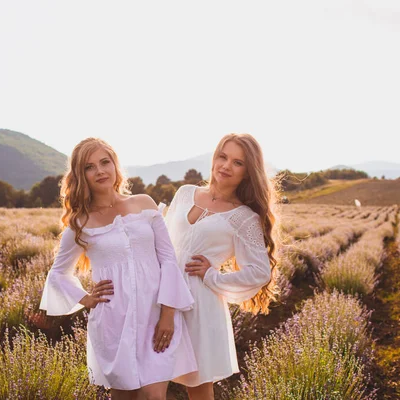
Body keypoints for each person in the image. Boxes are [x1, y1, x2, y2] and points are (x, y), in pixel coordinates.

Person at [93, 133, 279, 400]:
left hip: (199, 305)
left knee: (198, 388)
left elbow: (260, 272)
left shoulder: (243, 217)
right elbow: (161, 243)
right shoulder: (185, 193)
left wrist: (213, 276)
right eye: (222, 157)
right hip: (160, 296)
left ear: (248, 172)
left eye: (237, 163)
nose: (226, 166)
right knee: (147, 382)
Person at [39, 137, 197, 400]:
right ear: (81, 175)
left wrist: (168, 314)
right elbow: (57, 273)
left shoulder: (144, 203)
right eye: (90, 167)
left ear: (115, 165)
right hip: (114, 320)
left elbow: (168, 259)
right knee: (125, 395)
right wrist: (86, 298)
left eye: (105, 162)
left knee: (153, 396)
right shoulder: (80, 222)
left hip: (156, 313)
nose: (100, 170)